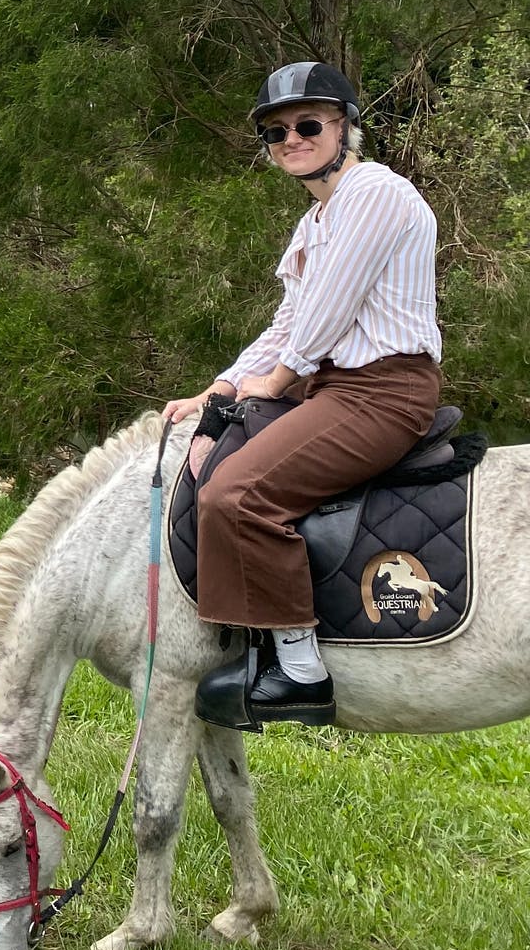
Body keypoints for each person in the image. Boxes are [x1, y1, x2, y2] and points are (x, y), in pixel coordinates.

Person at [162, 62, 443, 725]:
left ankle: (301, 671)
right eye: (276, 131)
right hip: (335, 387)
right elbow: (289, 321)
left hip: (381, 392)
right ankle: (247, 640)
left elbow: (328, 310)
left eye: (308, 124)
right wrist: (224, 384)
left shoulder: (374, 192)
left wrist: (279, 377)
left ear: (345, 127)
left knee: (237, 494)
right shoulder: (318, 220)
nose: (291, 138)